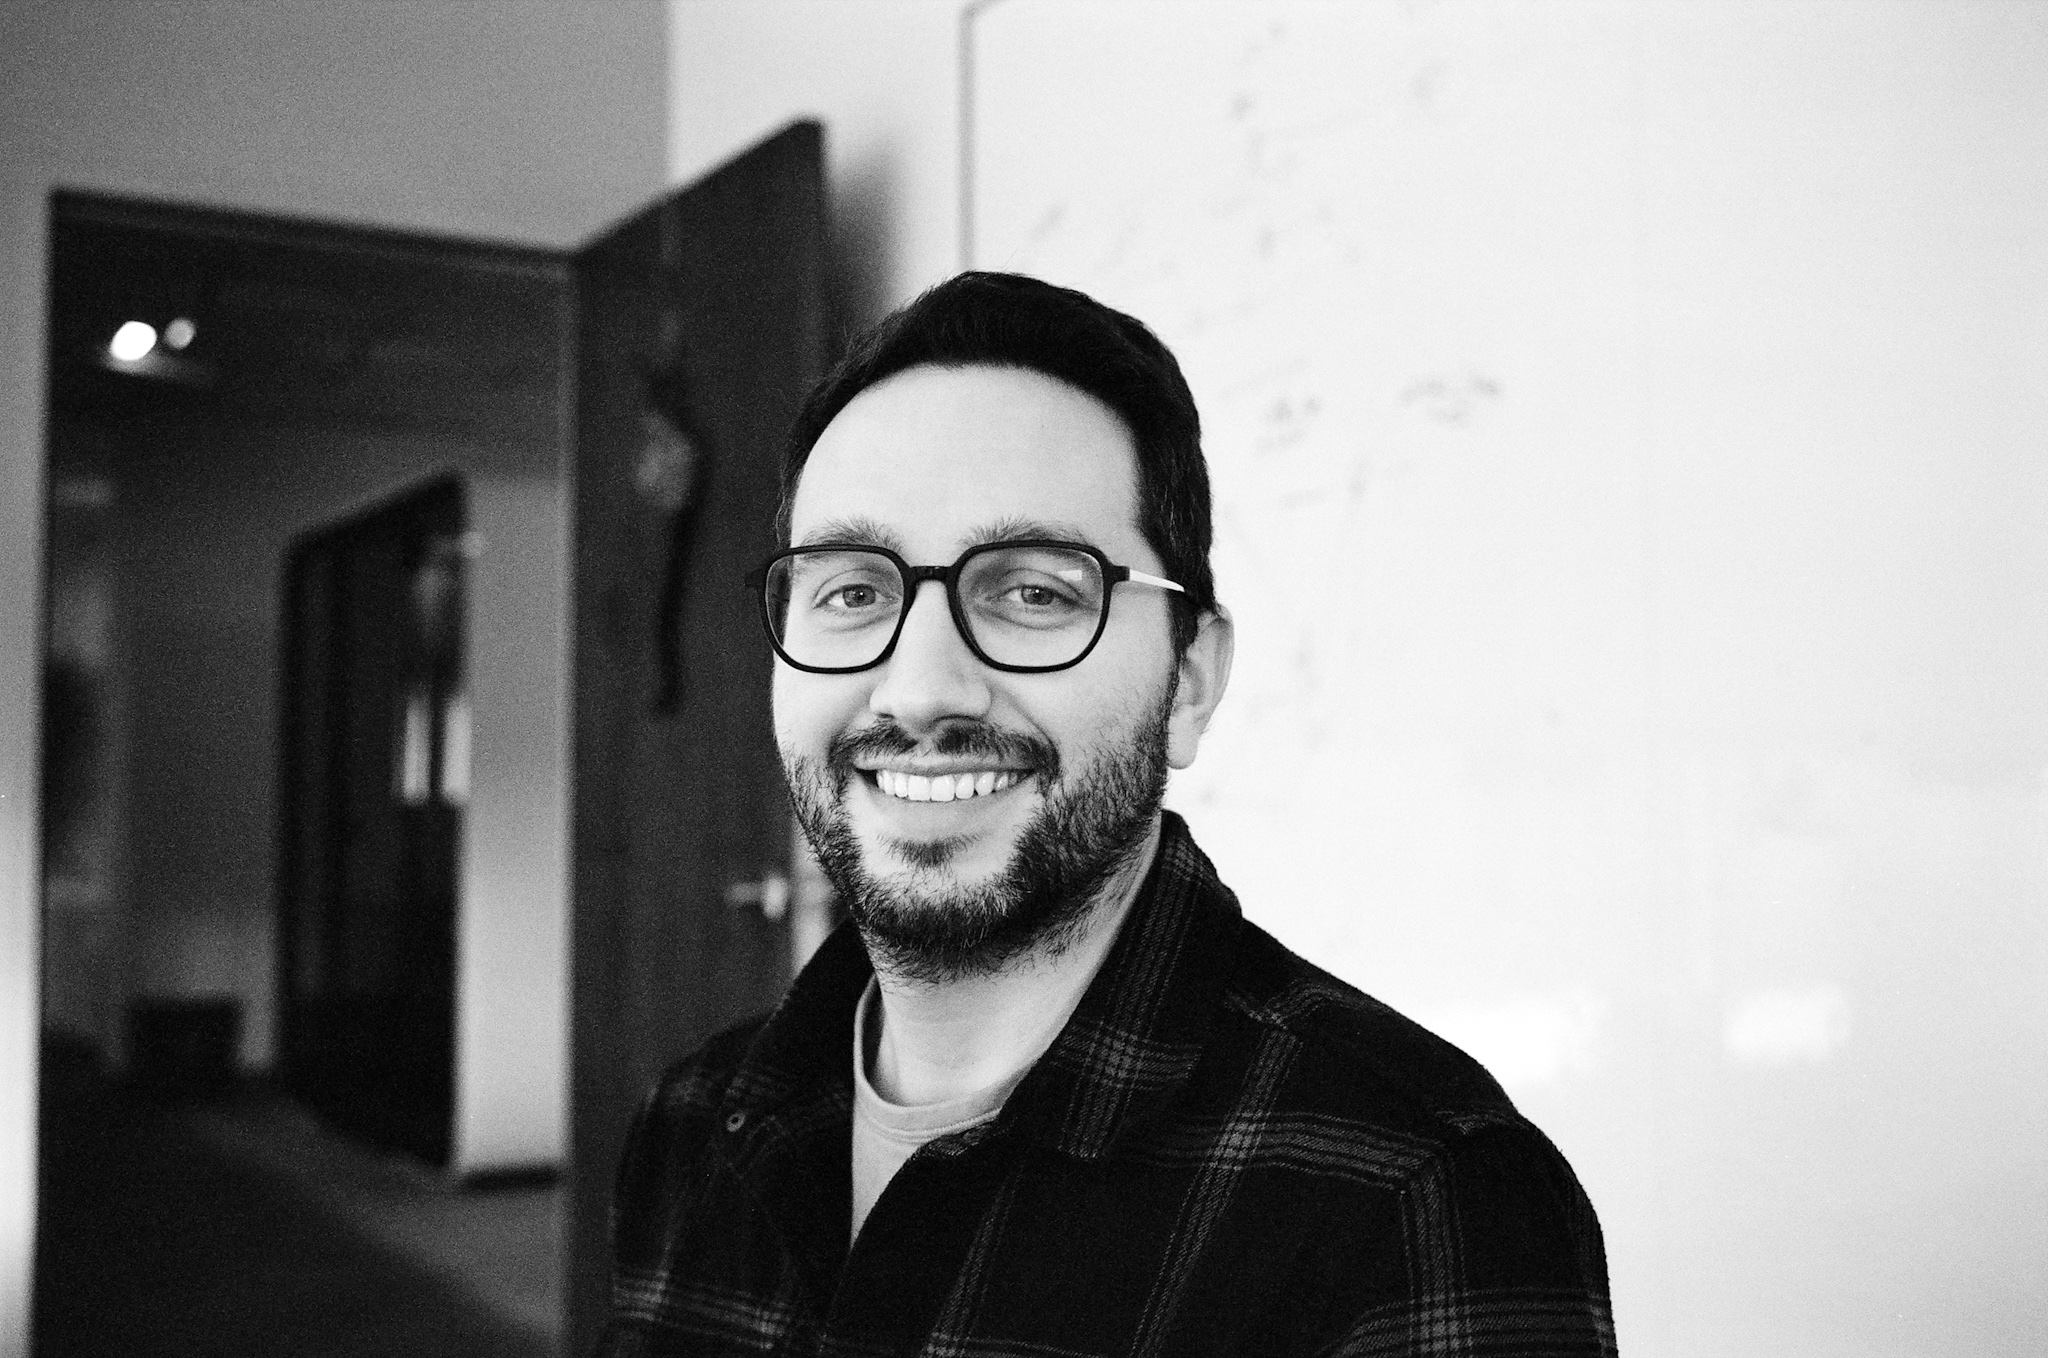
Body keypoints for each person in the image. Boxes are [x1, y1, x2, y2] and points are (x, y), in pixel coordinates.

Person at [595, 272, 1616, 1356]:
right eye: (853, 592)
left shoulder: (1422, 1196)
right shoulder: (689, 1127)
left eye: (1034, 592)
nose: (921, 688)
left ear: (1188, 683)